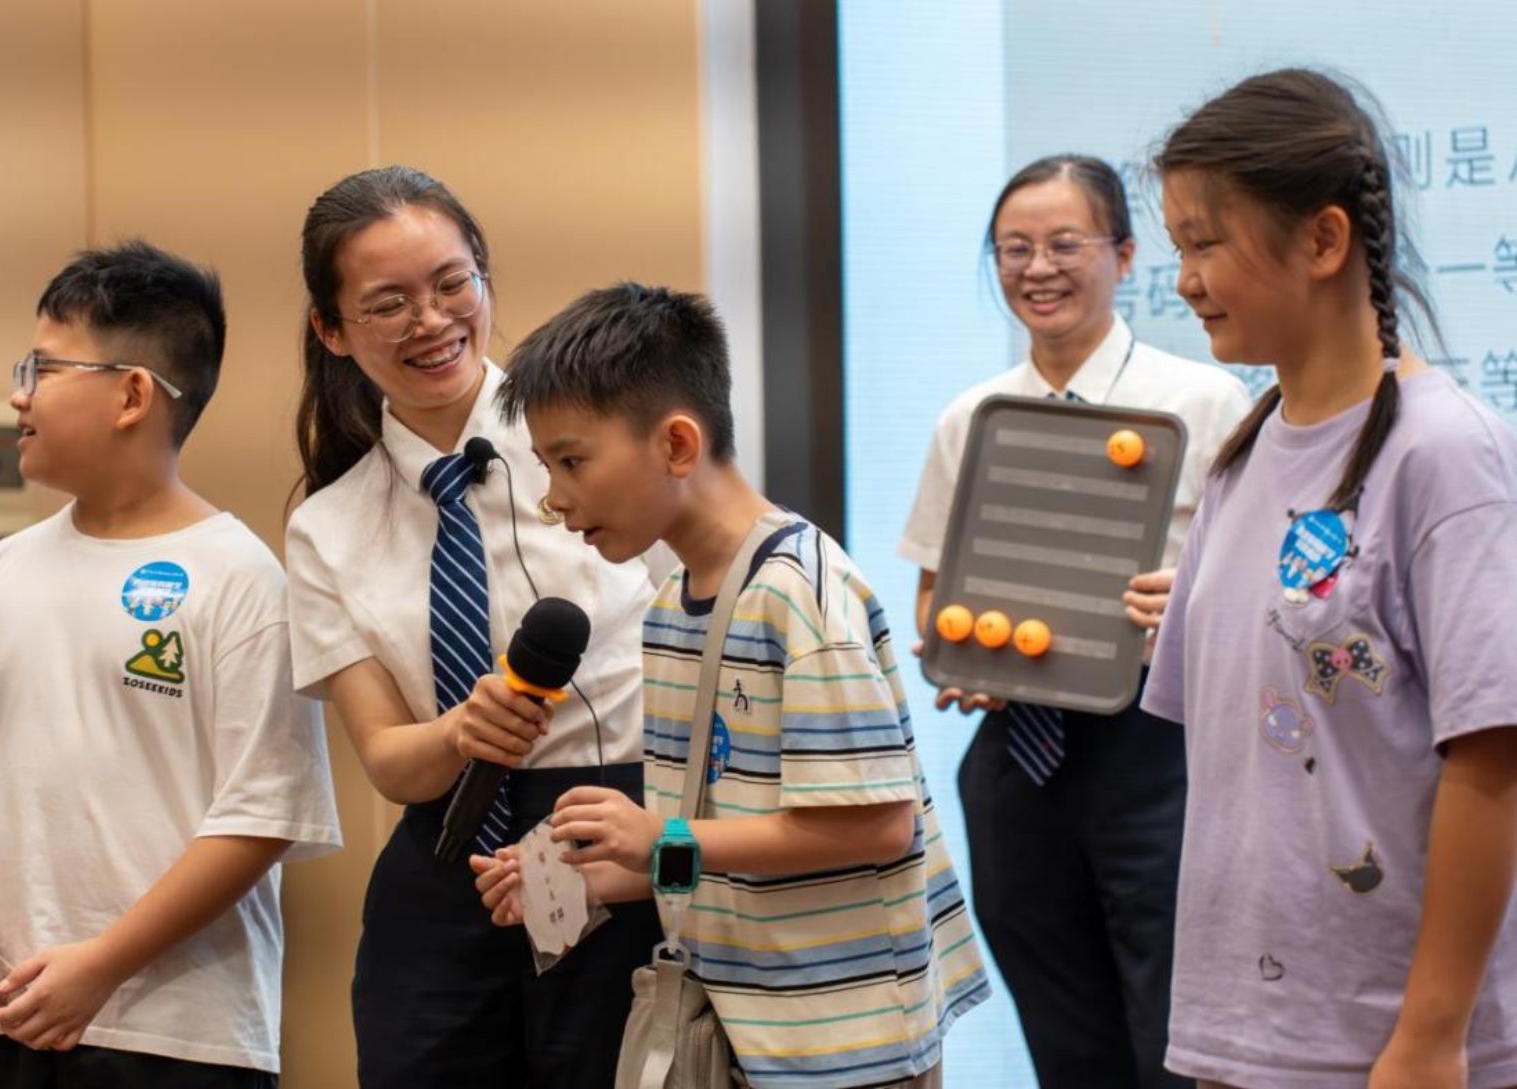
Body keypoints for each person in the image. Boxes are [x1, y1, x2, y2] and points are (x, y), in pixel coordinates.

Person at [478, 282, 989, 1089]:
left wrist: (661, 837)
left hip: (843, 1045)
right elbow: (714, 842)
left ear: (677, 445)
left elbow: (877, 826)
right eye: (546, 467)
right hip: (747, 1032)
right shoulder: (669, 608)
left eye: (572, 461)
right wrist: (589, 879)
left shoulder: (798, 593)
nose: (554, 497)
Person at [0, 241, 342, 1089]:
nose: (18, 394)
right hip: (7, 1009)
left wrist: (101, 962)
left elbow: (263, 812)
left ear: (133, 394)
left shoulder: (241, 578)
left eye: (43, 368)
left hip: (180, 1033)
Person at [1144, 68, 1517, 1089]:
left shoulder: (1446, 454)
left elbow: (1492, 761)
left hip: (1386, 1044)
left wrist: (1430, 1036)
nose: (1184, 281)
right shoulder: (1241, 454)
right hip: (1242, 1031)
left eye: (1204, 244)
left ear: (1321, 241)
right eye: (1178, 248)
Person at [282, 166, 662, 1089]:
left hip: (606, 830)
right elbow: (387, 759)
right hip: (446, 848)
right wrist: (462, 730)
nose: (431, 320)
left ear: (485, 278)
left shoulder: (602, 440)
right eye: (388, 303)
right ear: (332, 329)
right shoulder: (327, 525)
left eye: (452, 283)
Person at [898, 154, 1252, 1088]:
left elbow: (1259, 585)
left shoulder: (1204, 402)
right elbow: (933, 593)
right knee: (1063, 1041)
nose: (1037, 268)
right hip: (1016, 762)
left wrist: (1192, 602)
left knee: (1175, 1039)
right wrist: (955, 654)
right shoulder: (970, 417)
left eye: (1064, 243)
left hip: (1158, 750)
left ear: (1124, 255)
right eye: (1013, 249)